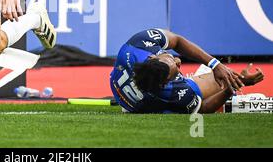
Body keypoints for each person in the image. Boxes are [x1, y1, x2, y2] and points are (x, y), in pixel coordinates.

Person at [110, 28, 264, 114]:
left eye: (171, 59)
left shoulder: (137, 46)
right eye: (176, 70)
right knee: (221, 81)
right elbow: (203, 107)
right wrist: (235, 84)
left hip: (127, 96)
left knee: (219, 73)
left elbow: (176, 41)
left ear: (151, 58)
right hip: (150, 103)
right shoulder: (171, 93)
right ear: (164, 84)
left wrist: (214, 64)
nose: (179, 61)